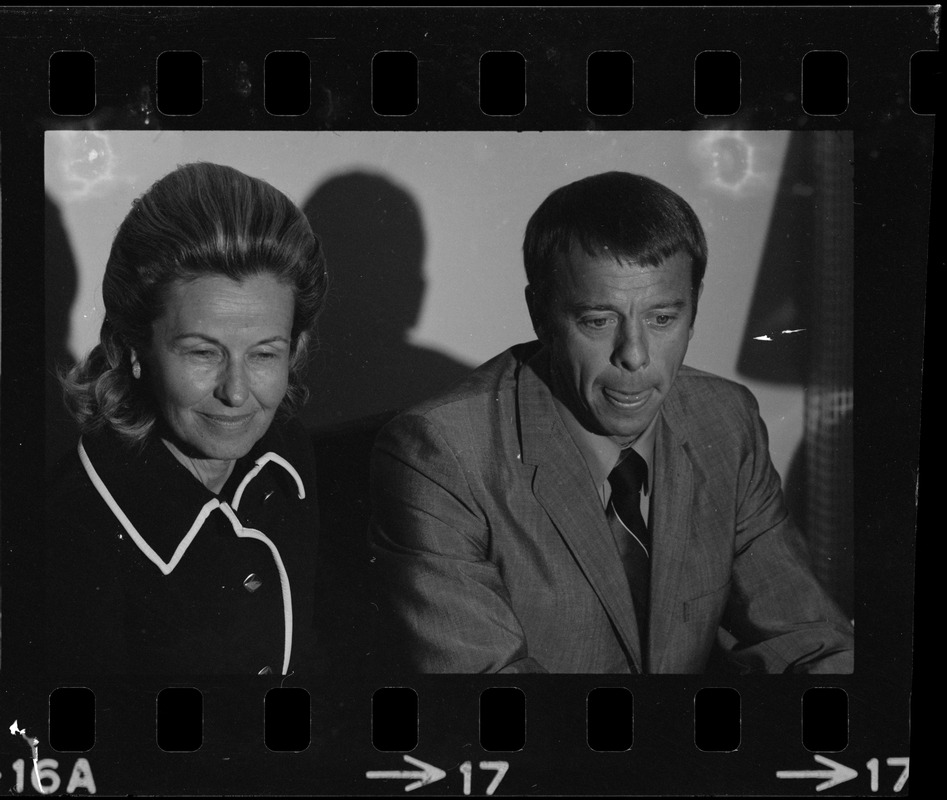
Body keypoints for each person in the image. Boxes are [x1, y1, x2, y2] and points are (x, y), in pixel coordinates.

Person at [369, 171, 854, 674]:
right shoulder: (442, 454)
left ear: (694, 309)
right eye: (598, 321)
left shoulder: (726, 421)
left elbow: (806, 637)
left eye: (662, 319)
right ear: (540, 313)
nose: (635, 356)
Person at [45, 162, 327, 675]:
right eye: (203, 353)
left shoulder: (286, 451)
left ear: (295, 349)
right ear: (133, 347)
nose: (237, 393)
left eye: (264, 354)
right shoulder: (64, 536)